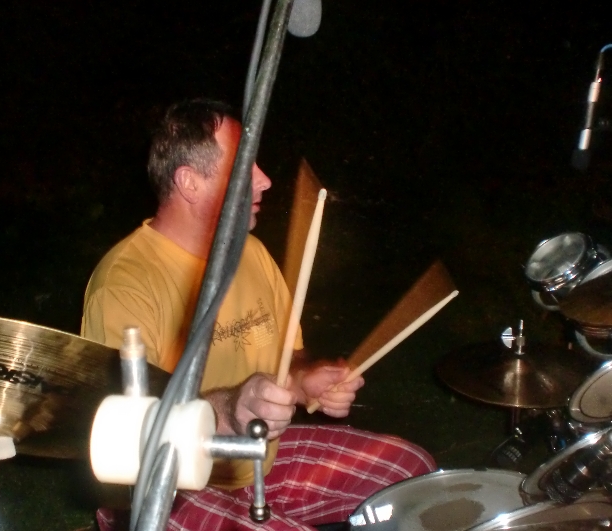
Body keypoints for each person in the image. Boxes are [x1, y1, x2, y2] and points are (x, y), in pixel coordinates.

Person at [81, 98, 435, 530]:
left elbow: (292, 355)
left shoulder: (251, 253)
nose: (264, 180)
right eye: (243, 166)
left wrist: (305, 379)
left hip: (258, 460)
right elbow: (131, 434)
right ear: (190, 182)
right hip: (167, 489)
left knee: (413, 474)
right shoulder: (126, 282)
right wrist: (232, 408)